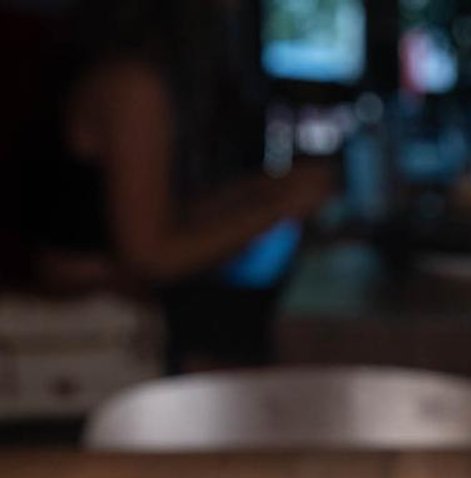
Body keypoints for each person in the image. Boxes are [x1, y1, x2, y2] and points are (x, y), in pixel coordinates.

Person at [26, 0, 333, 370]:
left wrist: (259, 193)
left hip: (114, 302)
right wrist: (280, 207)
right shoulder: (131, 84)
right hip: (90, 314)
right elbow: (150, 257)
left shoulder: (125, 68)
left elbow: (160, 216)